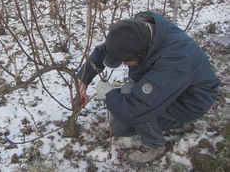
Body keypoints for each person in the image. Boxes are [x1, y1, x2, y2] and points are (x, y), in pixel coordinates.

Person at [77, 11, 220, 165]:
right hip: (177, 85)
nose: (124, 64)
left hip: (189, 102)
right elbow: (110, 48)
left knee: (128, 100)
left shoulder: (174, 61)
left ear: (140, 54)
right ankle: (172, 122)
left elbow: (136, 109)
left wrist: (110, 94)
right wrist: (84, 79)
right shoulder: (139, 31)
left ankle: (155, 144)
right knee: (120, 123)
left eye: (125, 61)